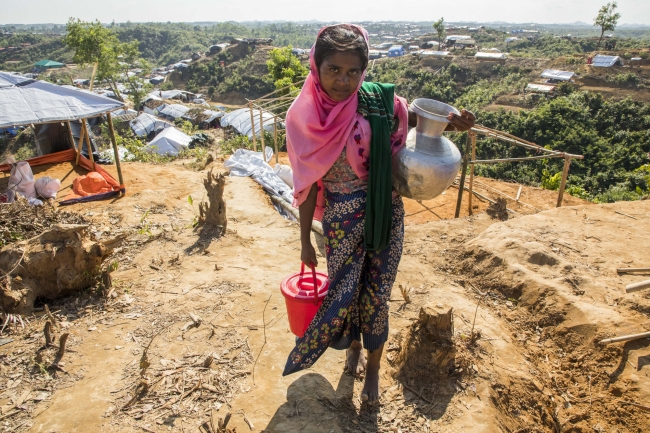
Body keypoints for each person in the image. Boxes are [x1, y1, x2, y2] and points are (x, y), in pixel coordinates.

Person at [282, 24, 475, 403]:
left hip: (386, 213)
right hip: (340, 220)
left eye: (354, 71)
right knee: (346, 291)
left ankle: (372, 368)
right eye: (334, 70)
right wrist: (305, 239)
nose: (344, 80)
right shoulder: (303, 118)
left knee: (377, 293)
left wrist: (452, 121)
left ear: (364, 70)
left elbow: (415, 118)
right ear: (315, 68)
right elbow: (306, 187)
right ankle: (352, 348)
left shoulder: (376, 102)